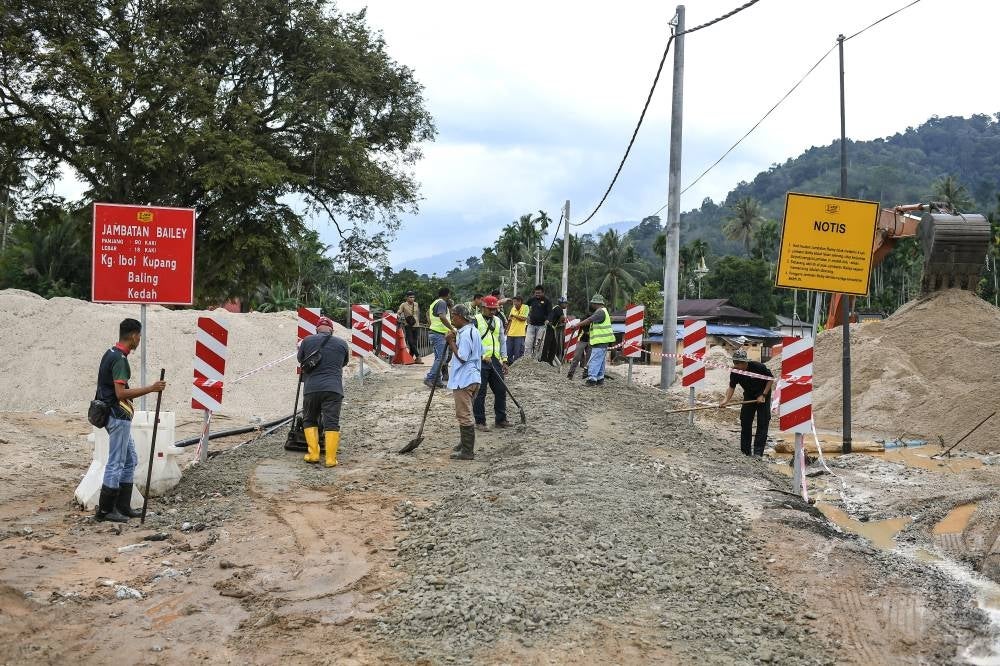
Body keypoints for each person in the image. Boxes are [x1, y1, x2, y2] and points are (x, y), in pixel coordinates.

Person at [93, 318, 167, 522]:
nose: (139, 340)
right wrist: (151, 388)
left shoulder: (111, 353)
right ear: (134, 336)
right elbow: (120, 393)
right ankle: (106, 510)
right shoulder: (120, 360)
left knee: (130, 459)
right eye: (139, 336)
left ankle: (123, 507)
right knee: (116, 462)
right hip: (117, 416)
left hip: (114, 415)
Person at [298, 316, 351, 467]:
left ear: (316, 329)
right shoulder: (342, 343)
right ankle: (330, 459)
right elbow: (344, 362)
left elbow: (300, 359)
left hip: (311, 388)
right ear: (332, 330)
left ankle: (313, 454)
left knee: (309, 419)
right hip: (333, 389)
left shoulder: (307, 341)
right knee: (331, 422)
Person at [445, 305, 483, 460]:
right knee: (467, 412)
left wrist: (450, 342)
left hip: (464, 379)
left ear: (460, 316)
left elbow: (462, 357)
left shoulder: (466, 334)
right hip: (474, 377)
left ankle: (467, 451)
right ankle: (464, 443)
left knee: (463, 414)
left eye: (453, 316)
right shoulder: (473, 331)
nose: (452, 319)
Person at [721, 348, 774, 457]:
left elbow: (770, 379)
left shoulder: (758, 367)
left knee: (763, 422)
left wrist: (763, 395)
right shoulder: (735, 371)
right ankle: (745, 452)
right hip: (749, 395)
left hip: (763, 395)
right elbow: (732, 387)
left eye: (739, 363)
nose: (737, 365)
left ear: (745, 362)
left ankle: (758, 453)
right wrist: (726, 400)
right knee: (745, 421)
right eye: (735, 363)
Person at [473, 295, 512, 432]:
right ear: (483, 307)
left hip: (495, 360)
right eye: (490, 309)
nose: (492, 312)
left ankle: (501, 419)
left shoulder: (498, 320)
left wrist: (504, 360)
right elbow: (472, 342)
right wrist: (482, 355)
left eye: (494, 309)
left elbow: (502, 340)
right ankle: (480, 421)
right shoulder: (475, 320)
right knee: (480, 392)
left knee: (501, 390)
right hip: (480, 360)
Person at [569, 294, 614, 386]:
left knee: (594, 360)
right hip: (603, 341)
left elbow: (589, 320)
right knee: (600, 361)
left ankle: (591, 380)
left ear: (596, 303)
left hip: (600, 340)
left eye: (593, 303)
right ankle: (600, 379)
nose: (592, 305)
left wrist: (576, 325)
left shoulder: (600, 312)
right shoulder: (604, 311)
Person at [425, 287, 455, 389]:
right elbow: (442, 317)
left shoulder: (434, 302)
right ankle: (430, 378)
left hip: (435, 332)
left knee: (438, 358)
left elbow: (428, 314)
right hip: (439, 334)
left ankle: (437, 381)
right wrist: (452, 329)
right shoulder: (442, 303)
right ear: (447, 294)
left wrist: (431, 324)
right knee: (443, 358)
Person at [524, 285, 551, 360]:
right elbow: (525, 307)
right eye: (536, 293)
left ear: (543, 293)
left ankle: (536, 360)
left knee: (538, 344)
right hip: (531, 325)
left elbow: (550, 313)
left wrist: (548, 320)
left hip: (541, 326)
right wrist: (527, 316)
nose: (537, 294)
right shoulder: (532, 300)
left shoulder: (547, 301)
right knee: (528, 342)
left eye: (539, 293)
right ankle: (527, 359)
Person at [396, 290, 423, 364]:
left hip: (416, 325)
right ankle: (418, 356)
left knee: (414, 343)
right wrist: (399, 317)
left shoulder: (416, 304)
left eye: (413, 297)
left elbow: (418, 313)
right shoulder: (403, 305)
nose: (412, 299)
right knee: (410, 342)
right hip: (408, 325)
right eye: (410, 297)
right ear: (407, 298)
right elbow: (398, 312)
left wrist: (418, 321)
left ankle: (410, 358)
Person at [539, 296, 567, 365]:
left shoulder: (557, 308)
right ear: (561, 303)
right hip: (549, 327)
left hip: (551, 328)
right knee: (547, 344)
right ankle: (543, 360)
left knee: (553, 345)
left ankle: (549, 361)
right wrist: (563, 320)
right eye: (565, 303)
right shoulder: (558, 308)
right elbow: (562, 318)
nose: (566, 305)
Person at [505, 295, 529, 363]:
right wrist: (506, 330)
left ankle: (517, 366)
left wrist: (514, 315)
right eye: (513, 302)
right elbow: (510, 320)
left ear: (520, 301)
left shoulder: (525, 307)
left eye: (515, 302)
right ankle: (509, 365)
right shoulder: (513, 308)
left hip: (520, 334)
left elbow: (523, 318)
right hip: (510, 334)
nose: (514, 303)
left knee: (518, 353)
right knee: (508, 351)